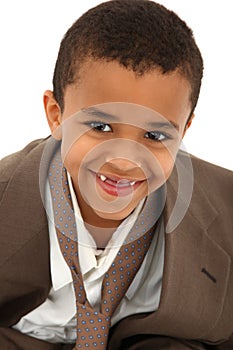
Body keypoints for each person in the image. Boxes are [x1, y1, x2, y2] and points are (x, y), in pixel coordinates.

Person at [0, 0, 232, 349]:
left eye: (155, 136)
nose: (125, 161)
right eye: (100, 126)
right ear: (56, 115)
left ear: (183, 130)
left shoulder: (226, 209)